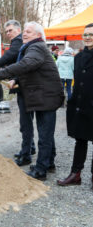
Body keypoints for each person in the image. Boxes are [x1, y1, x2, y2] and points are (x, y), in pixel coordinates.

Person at [0, 21, 64, 180]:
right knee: (46, 133)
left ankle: (41, 170)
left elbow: (26, 65)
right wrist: (16, 80)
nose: (25, 34)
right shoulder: (32, 47)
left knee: (44, 135)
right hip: (45, 96)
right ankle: (48, 163)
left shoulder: (36, 47)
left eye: (29, 31)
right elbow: (30, 70)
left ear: (38, 35)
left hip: (46, 97)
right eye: (25, 31)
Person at [0, 20, 36, 165]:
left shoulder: (18, 41)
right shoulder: (20, 42)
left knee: (25, 122)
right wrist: (13, 78)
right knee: (26, 121)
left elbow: (8, 58)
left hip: (27, 88)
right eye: (6, 31)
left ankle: (26, 153)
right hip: (23, 85)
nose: (8, 33)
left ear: (19, 30)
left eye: (10, 30)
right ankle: (29, 148)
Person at [57, 23, 93, 188]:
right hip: (80, 105)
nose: (87, 37)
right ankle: (75, 174)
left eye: (91, 34)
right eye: (85, 35)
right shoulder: (77, 58)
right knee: (81, 140)